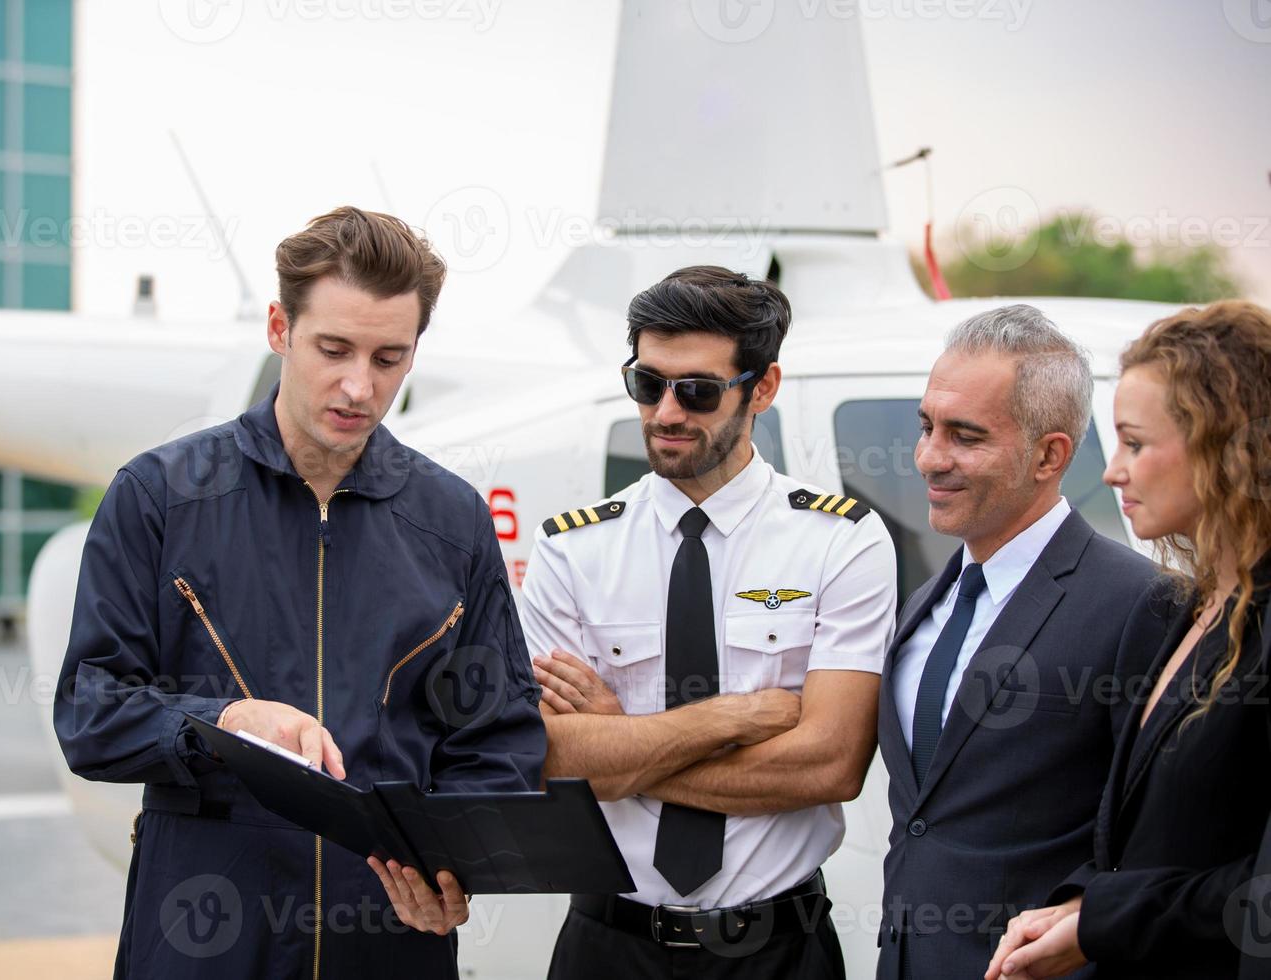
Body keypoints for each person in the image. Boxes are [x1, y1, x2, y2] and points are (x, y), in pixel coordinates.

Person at [53, 206, 545, 979]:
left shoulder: (453, 522)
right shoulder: (158, 496)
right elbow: (90, 712)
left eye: (390, 357)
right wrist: (226, 720)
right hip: (204, 934)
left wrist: (455, 872)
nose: (360, 385)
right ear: (280, 328)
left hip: (388, 940)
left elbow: (499, 741)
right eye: (334, 348)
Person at [520, 265, 898, 977]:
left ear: (764, 388)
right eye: (646, 383)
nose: (665, 413)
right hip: (609, 947)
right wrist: (736, 718)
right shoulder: (572, 549)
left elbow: (831, 762)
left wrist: (622, 745)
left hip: (776, 951)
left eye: (696, 391)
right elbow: (552, 760)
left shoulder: (840, 541)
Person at [986, 300, 1271, 980]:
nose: (1113, 472)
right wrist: (1081, 902)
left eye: (1136, 444)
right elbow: (1157, 837)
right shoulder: (1191, 604)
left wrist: (1104, 919)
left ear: (1227, 449)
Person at [876, 304, 1160, 979]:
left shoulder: (1137, 603)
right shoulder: (927, 602)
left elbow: (1154, 838)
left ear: (1050, 455)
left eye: (964, 436)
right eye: (926, 428)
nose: (929, 458)